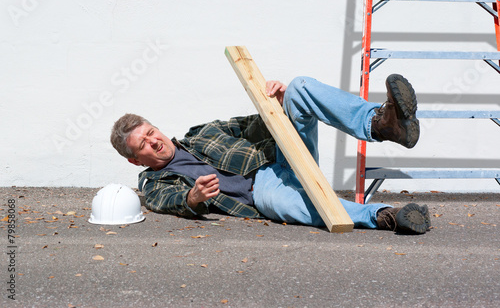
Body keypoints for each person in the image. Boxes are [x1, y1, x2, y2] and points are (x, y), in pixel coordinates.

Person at [110, 74, 431, 234]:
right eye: (143, 145)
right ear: (135, 159)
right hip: (261, 190)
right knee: (281, 203)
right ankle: (384, 216)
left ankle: (382, 124)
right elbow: (165, 201)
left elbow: (254, 124)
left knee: (298, 87)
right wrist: (192, 199)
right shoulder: (153, 180)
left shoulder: (201, 133)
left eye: (151, 132)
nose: (153, 142)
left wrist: (278, 105)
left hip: (281, 157)